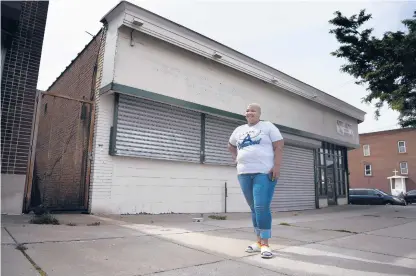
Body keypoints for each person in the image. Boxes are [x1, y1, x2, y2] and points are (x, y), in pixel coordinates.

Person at [228, 103, 284, 259]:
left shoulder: (267, 126)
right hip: (244, 173)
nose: (249, 112)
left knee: (261, 206)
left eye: (253, 110)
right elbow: (231, 146)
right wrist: (236, 159)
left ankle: (265, 243)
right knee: (253, 208)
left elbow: (279, 146)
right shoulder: (239, 130)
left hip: (263, 172)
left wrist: (277, 166)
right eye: (247, 110)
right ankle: (258, 242)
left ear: (259, 114)